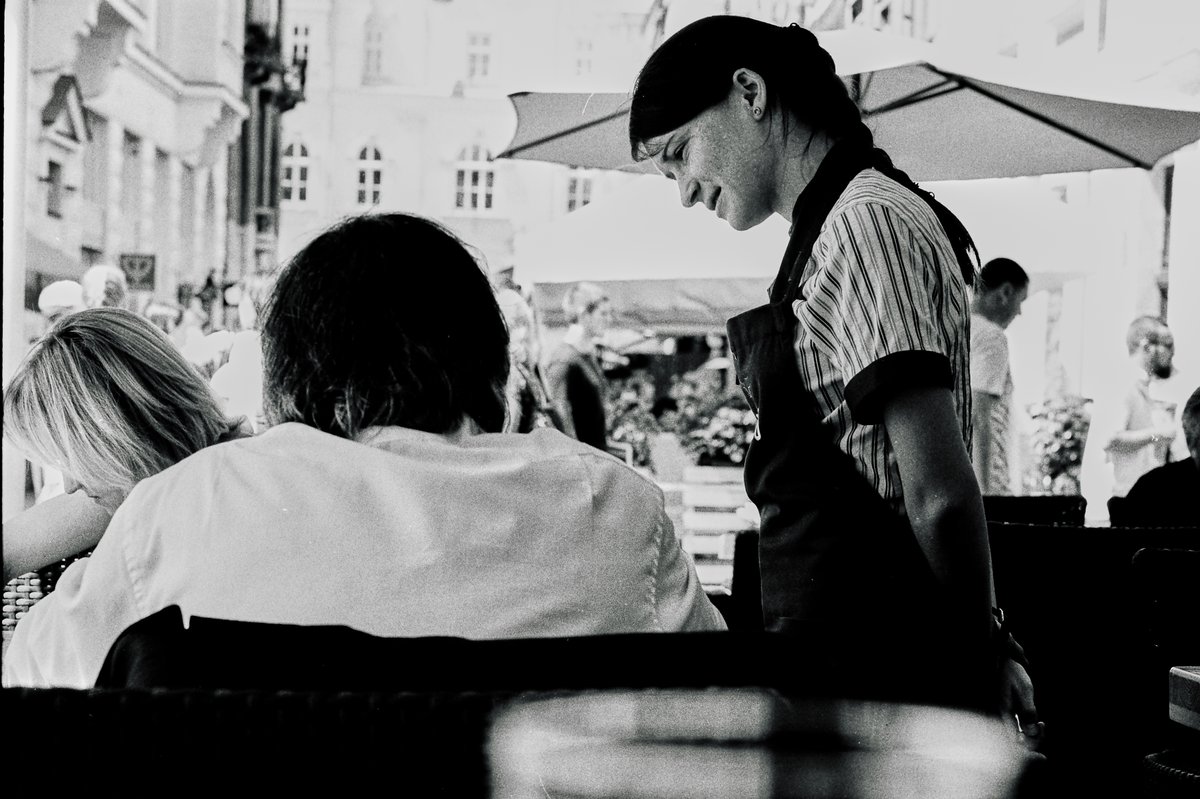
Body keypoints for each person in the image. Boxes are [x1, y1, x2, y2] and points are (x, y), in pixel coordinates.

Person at [3, 213, 723, 689]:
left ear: (282, 386)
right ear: (499, 375)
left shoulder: (189, 507)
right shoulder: (618, 510)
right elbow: (724, 699)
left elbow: (31, 671)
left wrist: (64, 521)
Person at [628, 15, 1036, 723]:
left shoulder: (867, 222)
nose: (686, 193)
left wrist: (983, 655)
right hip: (841, 671)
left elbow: (938, 491)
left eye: (680, 154)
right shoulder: (828, 233)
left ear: (750, 91)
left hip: (886, 677)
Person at [2, 308, 246, 585]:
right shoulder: (157, 477)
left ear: (122, 434)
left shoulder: (162, 504)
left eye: (78, 457)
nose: (70, 487)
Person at [1085, 316, 1189, 505]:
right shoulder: (1121, 383)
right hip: (1124, 498)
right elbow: (1110, 440)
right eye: (1168, 344)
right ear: (1146, 346)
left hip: (1139, 495)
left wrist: (1160, 434)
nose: (1173, 353)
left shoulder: (1140, 386)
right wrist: (1161, 433)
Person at [970, 257, 1029, 496]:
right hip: (985, 482)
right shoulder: (991, 337)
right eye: (1020, 300)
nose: (1019, 311)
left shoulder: (956, 327)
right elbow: (979, 414)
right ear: (1005, 292)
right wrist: (984, 493)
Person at [1110, 385, 1200, 526]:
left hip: (1160, 491)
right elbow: (1111, 440)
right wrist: (1157, 435)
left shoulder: (1149, 392)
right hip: (1139, 489)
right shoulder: (1126, 388)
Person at [547, 282, 612, 451]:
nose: (609, 319)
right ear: (584, 315)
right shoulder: (565, 358)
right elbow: (558, 412)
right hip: (581, 460)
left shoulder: (587, 355)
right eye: (603, 313)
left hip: (594, 455)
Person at [496, 287, 563, 433]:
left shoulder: (526, 367)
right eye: (514, 325)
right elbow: (507, 430)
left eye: (524, 324)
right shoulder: (506, 372)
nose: (522, 333)